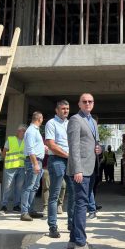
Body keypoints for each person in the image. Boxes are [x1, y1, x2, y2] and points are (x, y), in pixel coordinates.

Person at [67, 93, 102, 249]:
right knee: (81, 204)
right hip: (81, 170)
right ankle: (80, 242)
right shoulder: (75, 119)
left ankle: (73, 239)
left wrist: (99, 149)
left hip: (92, 168)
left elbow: (95, 143)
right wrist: (77, 169)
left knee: (81, 203)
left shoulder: (93, 121)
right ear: (79, 104)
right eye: (85, 101)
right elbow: (73, 146)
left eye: (90, 101)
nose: (88, 103)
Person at [45, 100, 75, 238]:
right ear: (56, 110)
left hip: (70, 161)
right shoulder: (51, 123)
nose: (66, 111)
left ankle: (71, 224)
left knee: (74, 192)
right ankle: (53, 226)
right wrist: (68, 155)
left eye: (67, 108)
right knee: (54, 194)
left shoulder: (70, 123)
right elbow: (51, 144)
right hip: (57, 160)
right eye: (63, 108)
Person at [20, 111, 45, 221]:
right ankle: (24, 212)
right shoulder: (31, 131)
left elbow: (34, 146)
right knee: (28, 186)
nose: (42, 120)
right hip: (33, 162)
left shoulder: (35, 130)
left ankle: (30, 210)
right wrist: (35, 164)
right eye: (42, 119)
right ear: (39, 119)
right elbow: (30, 149)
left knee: (34, 187)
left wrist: (43, 148)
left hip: (37, 161)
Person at [0, 124, 27, 214]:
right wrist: (6, 162)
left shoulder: (26, 141)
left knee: (19, 188)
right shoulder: (10, 140)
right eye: (23, 131)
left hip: (22, 167)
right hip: (10, 167)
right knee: (8, 186)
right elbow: (4, 152)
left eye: (25, 131)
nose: (24, 133)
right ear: (19, 131)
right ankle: (4, 205)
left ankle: (16, 205)